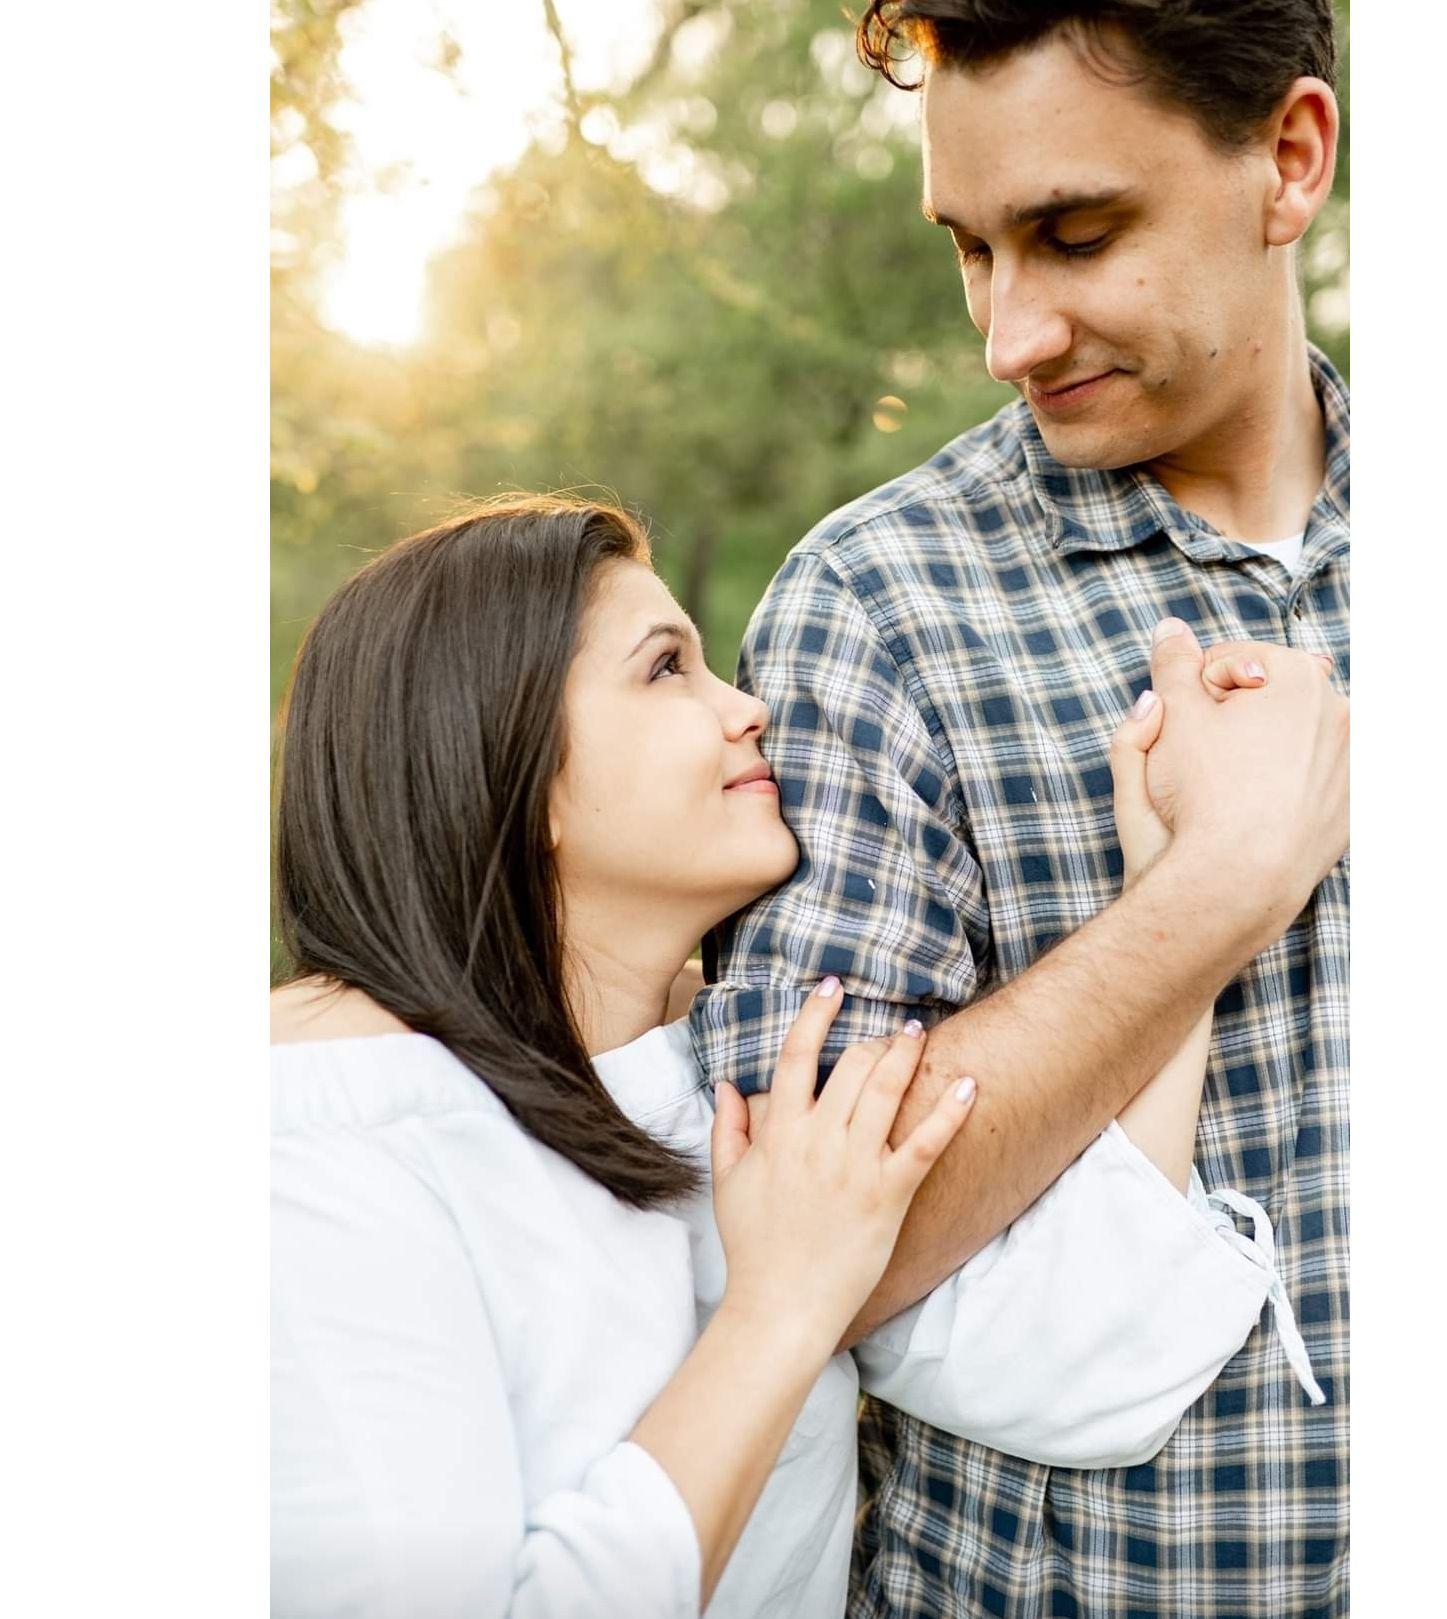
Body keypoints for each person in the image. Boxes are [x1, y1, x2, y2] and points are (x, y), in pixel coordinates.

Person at [270, 497, 1335, 1619]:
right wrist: (777, 1311)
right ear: (498, 751)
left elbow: (1079, 1359)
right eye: (665, 667)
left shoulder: (704, 1077)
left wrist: (1180, 890)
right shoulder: (320, 1149)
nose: (747, 707)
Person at [688, 2, 1351, 1615]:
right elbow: (798, 1251)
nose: (1007, 334)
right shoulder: (875, 603)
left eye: (1070, 234)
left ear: (1285, 157)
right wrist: (1203, 899)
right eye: (971, 249)